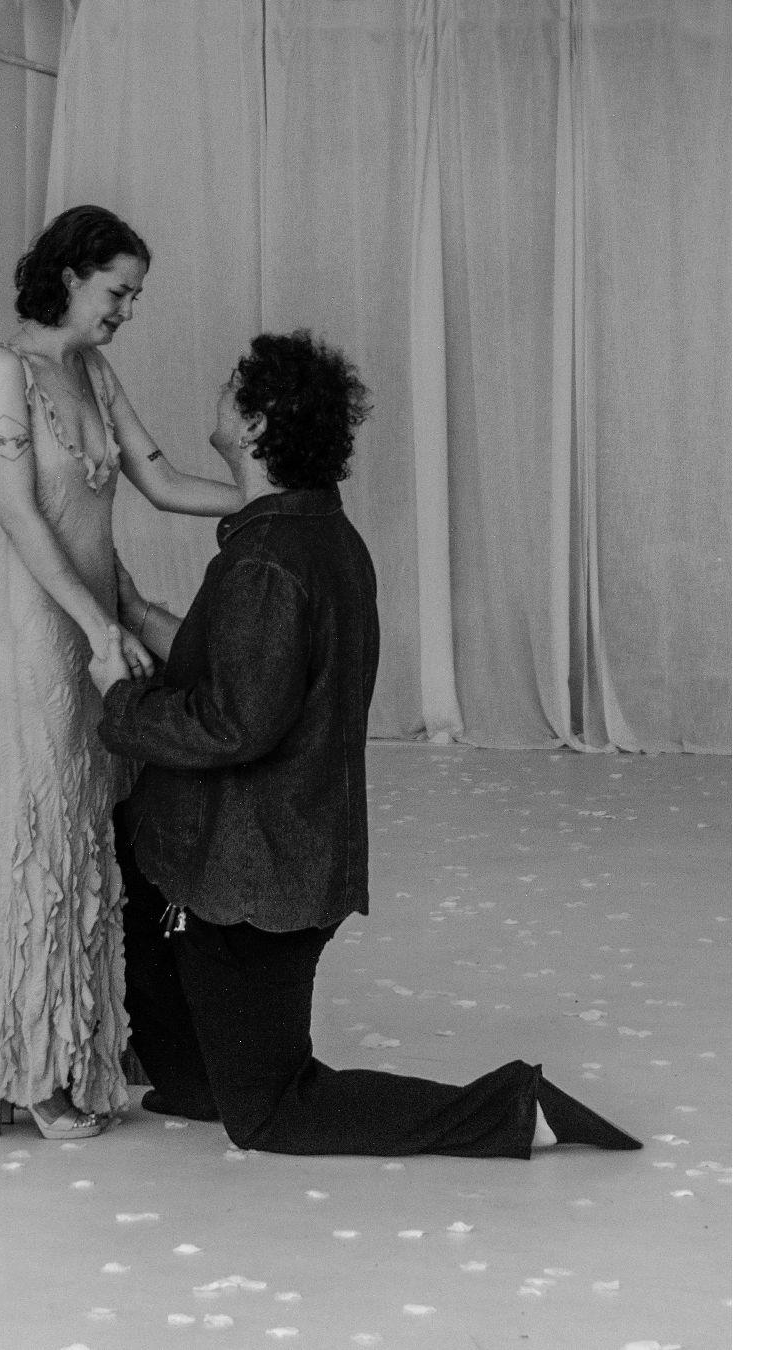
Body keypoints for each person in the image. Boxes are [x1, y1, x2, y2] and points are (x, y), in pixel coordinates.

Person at [90, 329, 642, 1157]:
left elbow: (232, 723)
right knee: (193, 1059)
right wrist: (136, 614)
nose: (221, 390)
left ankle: (512, 1109)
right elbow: (242, 673)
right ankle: (201, 1069)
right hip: (277, 862)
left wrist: (121, 699)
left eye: (235, 384)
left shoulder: (269, 564)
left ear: (256, 423)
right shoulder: (314, 536)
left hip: (257, 884)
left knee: (268, 1113)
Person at [0, 206, 242, 1141]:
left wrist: (270, 499)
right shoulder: (2, 373)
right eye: (118, 291)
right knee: (38, 845)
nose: (126, 310)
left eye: (135, 296)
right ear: (71, 275)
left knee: (91, 840)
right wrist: (98, 628)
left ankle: (81, 1042)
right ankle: (32, 1070)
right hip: (33, 638)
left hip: (93, 635)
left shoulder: (92, 370)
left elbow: (160, 479)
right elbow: (23, 520)